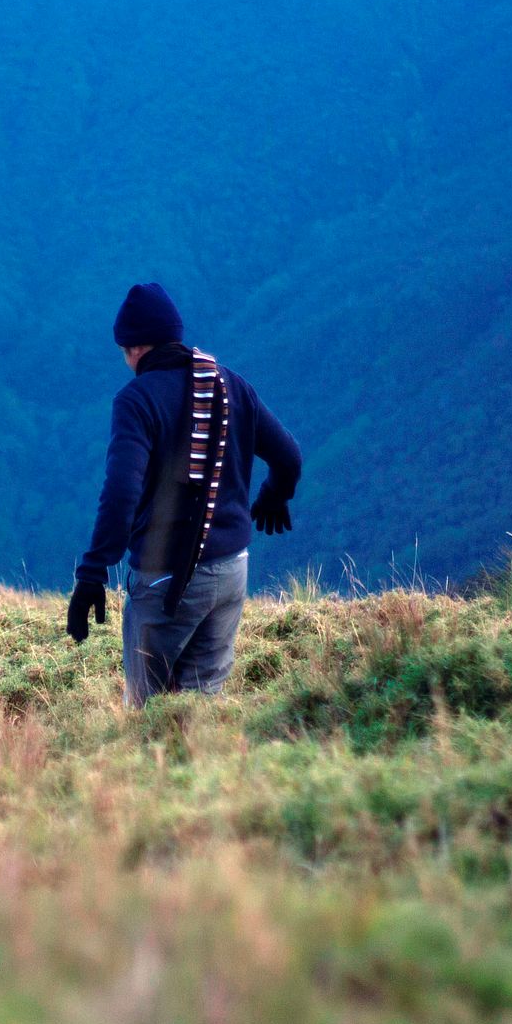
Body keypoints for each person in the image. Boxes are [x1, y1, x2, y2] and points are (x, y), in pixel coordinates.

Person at [67, 282, 302, 707]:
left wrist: (93, 572)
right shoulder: (230, 384)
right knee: (201, 706)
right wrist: (274, 494)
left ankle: (150, 771)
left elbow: (122, 491)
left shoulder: (136, 400)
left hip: (166, 579)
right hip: (232, 570)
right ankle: (195, 770)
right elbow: (288, 457)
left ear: (136, 348)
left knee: (146, 710)